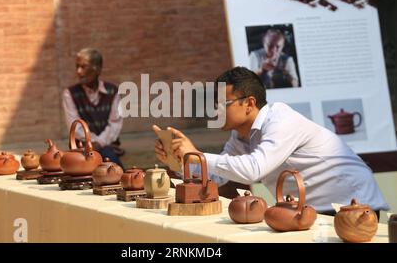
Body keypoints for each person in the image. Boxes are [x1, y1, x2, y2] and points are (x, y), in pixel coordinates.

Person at [154, 67, 389, 217]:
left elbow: (253, 170)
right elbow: (217, 177)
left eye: (222, 104)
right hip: (310, 210)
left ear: (249, 103)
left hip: (353, 205)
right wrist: (179, 162)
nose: (216, 111)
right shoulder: (239, 135)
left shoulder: (281, 120)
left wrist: (198, 154)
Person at [62, 48, 124, 168]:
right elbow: (75, 126)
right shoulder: (69, 93)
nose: (79, 71)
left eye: (84, 66)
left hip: (107, 147)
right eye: (77, 66)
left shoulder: (113, 91)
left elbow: (115, 124)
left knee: (109, 161)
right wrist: (94, 145)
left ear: (97, 69)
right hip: (82, 150)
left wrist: (99, 143)